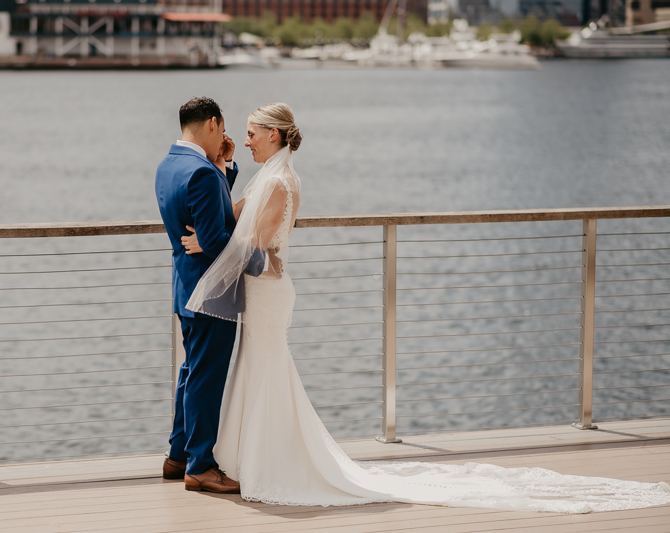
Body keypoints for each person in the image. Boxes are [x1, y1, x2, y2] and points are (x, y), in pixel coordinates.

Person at [180, 102, 670, 512]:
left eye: (249, 134)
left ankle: (271, 465)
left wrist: (208, 245)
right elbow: (233, 220)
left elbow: (261, 254)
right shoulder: (265, 175)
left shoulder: (283, 183)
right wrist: (221, 182)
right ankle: (251, 460)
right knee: (256, 369)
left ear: (273, 134)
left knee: (266, 371)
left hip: (269, 291)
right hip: (261, 294)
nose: (243, 141)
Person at [155, 97, 279, 494]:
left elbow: (207, 213)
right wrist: (264, 262)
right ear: (212, 123)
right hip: (212, 293)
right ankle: (201, 466)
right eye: (224, 130)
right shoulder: (202, 173)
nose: (228, 138)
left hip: (185, 287)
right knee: (206, 379)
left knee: (191, 372)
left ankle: (178, 456)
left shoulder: (170, 165)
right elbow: (217, 237)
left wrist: (223, 167)